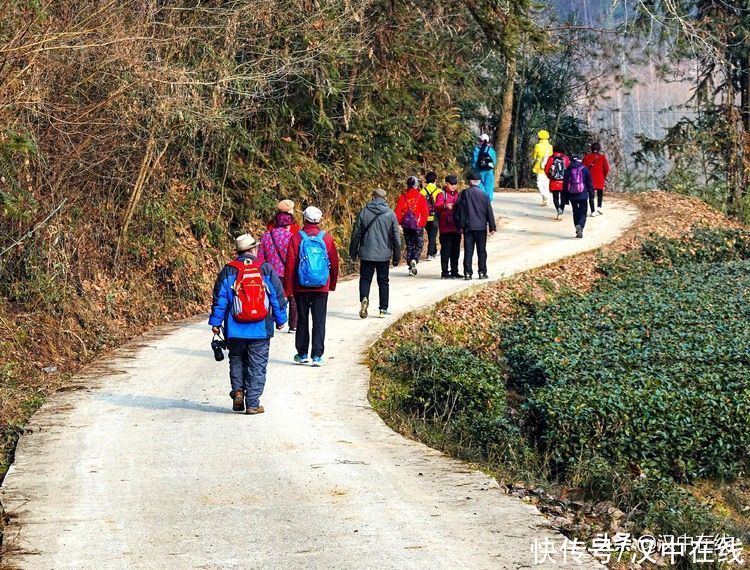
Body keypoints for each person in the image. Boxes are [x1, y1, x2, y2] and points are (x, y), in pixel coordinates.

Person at [209, 233, 287, 415]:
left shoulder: (229, 270)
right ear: (253, 249)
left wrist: (216, 322)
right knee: (257, 365)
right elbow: (276, 296)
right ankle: (252, 403)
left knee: (236, 359)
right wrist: (281, 319)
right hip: (260, 328)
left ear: (238, 251)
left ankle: (238, 392)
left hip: (234, 328)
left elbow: (220, 299)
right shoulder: (265, 268)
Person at [284, 206, 339, 366]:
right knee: (319, 320)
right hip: (321, 286)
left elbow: (290, 265)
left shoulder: (296, 238)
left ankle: (302, 354)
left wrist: (288, 288)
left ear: (304, 219)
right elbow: (334, 263)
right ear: (319, 220)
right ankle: (317, 356)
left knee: (302, 319)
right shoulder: (326, 238)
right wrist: (332, 283)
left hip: (301, 286)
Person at [349, 189, 401, 319]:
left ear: (373, 197)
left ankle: (364, 298)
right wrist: (397, 256)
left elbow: (356, 234)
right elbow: (396, 237)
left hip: (366, 253)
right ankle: (383, 309)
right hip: (384, 254)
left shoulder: (364, 212)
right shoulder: (390, 214)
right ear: (385, 199)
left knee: (365, 279)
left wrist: (353, 251)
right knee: (383, 281)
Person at [257, 211, 297, 332]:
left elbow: (260, 257)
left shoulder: (266, 236)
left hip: (270, 273)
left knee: (270, 297)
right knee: (292, 297)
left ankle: (271, 321)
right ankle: (293, 325)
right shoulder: (291, 237)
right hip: (288, 272)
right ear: (288, 224)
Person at [454, 171, 496, 280]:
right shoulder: (484, 195)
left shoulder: (464, 194)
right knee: (481, 251)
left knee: (468, 251)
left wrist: (459, 224)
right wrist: (492, 226)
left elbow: (458, 210)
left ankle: (468, 273)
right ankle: (482, 272)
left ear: (470, 182)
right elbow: (489, 211)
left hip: (468, 227)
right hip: (481, 227)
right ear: (479, 182)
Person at [394, 176, 429, 276]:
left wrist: (401, 222)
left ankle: (410, 265)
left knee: (409, 245)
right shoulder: (420, 197)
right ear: (417, 185)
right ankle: (415, 259)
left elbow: (397, 212)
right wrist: (422, 223)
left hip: (406, 225)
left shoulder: (403, 197)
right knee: (419, 244)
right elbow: (425, 213)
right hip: (417, 225)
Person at [434, 174, 462, 279]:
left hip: (457, 227)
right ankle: (445, 272)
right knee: (446, 251)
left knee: (456, 251)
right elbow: (436, 206)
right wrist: (445, 206)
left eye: (455, 184)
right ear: (447, 184)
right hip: (445, 228)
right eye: (452, 184)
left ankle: (455, 271)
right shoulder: (442, 194)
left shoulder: (458, 195)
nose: (454, 186)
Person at [562, 154, 594, 239]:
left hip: (572, 195)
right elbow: (589, 184)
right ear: (580, 160)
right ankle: (580, 226)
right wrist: (591, 194)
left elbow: (565, 186)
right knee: (583, 213)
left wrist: (565, 198)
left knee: (575, 212)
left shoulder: (567, 170)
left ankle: (577, 227)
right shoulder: (585, 170)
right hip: (583, 195)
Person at [582, 142, 610, 216]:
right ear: (599, 149)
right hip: (600, 178)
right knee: (600, 193)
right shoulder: (602, 157)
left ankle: (593, 211)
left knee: (591, 195)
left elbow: (583, 168)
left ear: (591, 149)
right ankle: (599, 207)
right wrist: (604, 176)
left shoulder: (586, 157)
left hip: (589, 178)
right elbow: (607, 168)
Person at [544, 148, 570, 220]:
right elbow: (569, 168)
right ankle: (561, 210)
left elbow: (546, 169)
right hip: (563, 181)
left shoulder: (551, 159)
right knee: (563, 197)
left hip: (554, 181)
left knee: (555, 197)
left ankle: (558, 209)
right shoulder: (565, 158)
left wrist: (550, 177)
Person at [420, 171, 442, 260]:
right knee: (433, 236)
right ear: (435, 180)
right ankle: (429, 254)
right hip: (435, 216)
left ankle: (434, 251)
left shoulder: (422, 192)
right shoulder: (439, 191)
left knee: (430, 235)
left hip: (425, 217)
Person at [471, 134, 497, 201]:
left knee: (479, 185)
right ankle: (488, 201)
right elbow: (494, 163)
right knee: (489, 187)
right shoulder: (491, 150)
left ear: (480, 140)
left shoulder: (477, 149)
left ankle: (482, 199)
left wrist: (475, 169)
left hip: (479, 171)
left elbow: (474, 163)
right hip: (489, 171)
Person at [532, 130, 553, 206]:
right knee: (546, 184)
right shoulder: (550, 146)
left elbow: (534, 157)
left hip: (540, 167)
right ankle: (546, 201)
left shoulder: (537, 146)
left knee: (539, 184)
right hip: (548, 167)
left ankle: (545, 197)